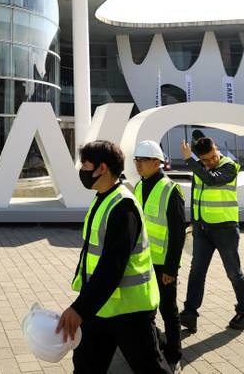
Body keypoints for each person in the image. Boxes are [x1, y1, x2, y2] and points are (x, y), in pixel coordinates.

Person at [56, 140, 171, 373]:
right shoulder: (103, 198)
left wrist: (79, 309)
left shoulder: (123, 207)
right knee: (86, 366)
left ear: (102, 168)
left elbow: (112, 266)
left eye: (86, 165)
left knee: (150, 368)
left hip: (130, 311)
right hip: (101, 307)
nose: (82, 171)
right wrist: (85, 304)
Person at [178, 137, 244, 332]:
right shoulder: (199, 169)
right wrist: (194, 223)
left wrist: (190, 161)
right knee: (196, 272)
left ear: (216, 148)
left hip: (225, 229)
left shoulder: (230, 166)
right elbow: (196, 196)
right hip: (202, 229)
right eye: (205, 160)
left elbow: (212, 180)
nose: (210, 162)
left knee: (233, 273)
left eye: (212, 157)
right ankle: (189, 314)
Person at [133, 140, 187, 369]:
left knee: (168, 309)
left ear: (157, 162)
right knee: (145, 308)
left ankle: (174, 354)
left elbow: (177, 234)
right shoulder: (138, 186)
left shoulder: (170, 189)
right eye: (136, 160)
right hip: (143, 262)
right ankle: (154, 346)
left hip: (162, 264)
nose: (138, 165)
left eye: (143, 161)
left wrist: (171, 269)